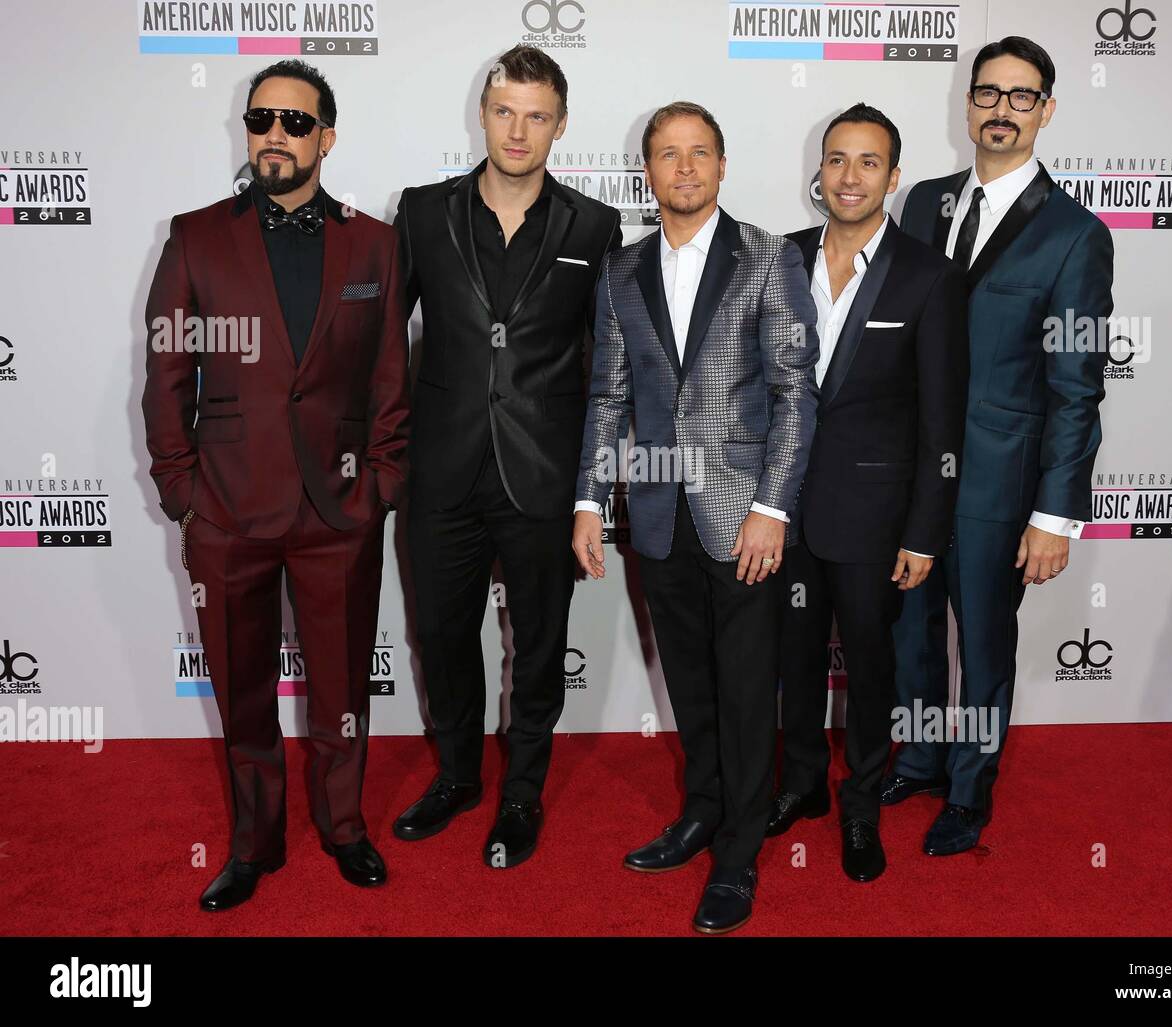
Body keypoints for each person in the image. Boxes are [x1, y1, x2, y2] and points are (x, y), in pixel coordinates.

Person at [142, 59, 410, 910]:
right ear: (246, 130)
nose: (276, 136)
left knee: (341, 689)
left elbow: (390, 382)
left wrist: (378, 486)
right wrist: (184, 491)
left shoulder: (373, 242)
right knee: (241, 686)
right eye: (262, 119)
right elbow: (165, 375)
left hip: (338, 512)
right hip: (226, 510)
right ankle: (252, 843)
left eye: (297, 122)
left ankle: (343, 826)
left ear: (327, 137)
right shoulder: (195, 236)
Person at [572, 102, 819, 934]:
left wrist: (771, 506)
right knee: (692, 685)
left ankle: (741, 853)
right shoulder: (621, 270)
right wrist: (586, 499)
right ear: (647, 170)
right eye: (667, 155)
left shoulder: (769, 255)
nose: (683, 168)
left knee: (748, 692)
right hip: (655, 513)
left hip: (741, 515)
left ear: (721, 165)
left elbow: (794, 393)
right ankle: (703, 812)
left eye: (699, 153)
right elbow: (607, 393)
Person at [392, 45, 622, 868]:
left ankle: (522, 790)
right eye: (504, 111)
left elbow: (606, 369)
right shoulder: (421, 212)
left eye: (536, 115)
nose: (517, 130)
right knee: (441, 634)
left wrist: (598, 488)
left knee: (539, 643)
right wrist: (383, 459)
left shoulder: (594, 226)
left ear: (560, 124)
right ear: (482, 113)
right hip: (441, 471)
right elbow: (387, 345)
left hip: (544, 474)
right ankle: (457, 775)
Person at [888, 36, 1114, 855]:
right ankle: (916, 756)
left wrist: (1056, 513)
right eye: (989, 93)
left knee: (981, 639)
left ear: (1047, 110)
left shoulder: (1076, 235)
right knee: (910, 629)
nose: (1002, 110)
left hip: (997, 481)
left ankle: (970, 788)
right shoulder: (922, 204)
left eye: (1023, 97)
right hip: (912, 475)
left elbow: (1078, 384)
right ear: (968, 103)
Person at [768, 104, 968, 882]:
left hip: (877, 518)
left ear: (893, 174)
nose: (850, 177)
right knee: (794, 656)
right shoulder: (778, 259)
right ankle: (802, 784)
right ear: (818, 170)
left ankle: (861, 805)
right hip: (783, 511)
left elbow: (939, 418)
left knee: (873, 668)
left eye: (869, 162)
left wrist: (924, 532)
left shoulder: (929, 276)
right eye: (838, 160)